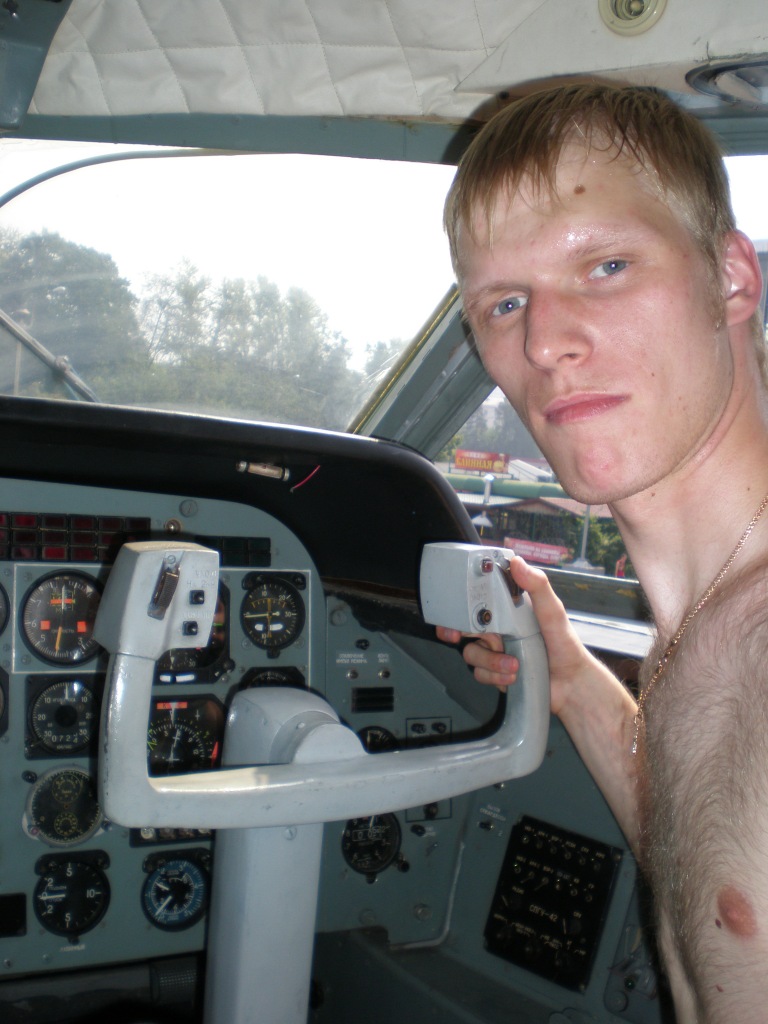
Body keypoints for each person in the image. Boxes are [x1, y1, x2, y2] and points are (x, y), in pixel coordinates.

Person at [436, 84, 768, 1023]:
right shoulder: (706, 630)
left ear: (731, 277)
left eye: (607, 266)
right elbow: (721, 876)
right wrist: (576, 682)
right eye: (505, 302)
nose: (545, 342)